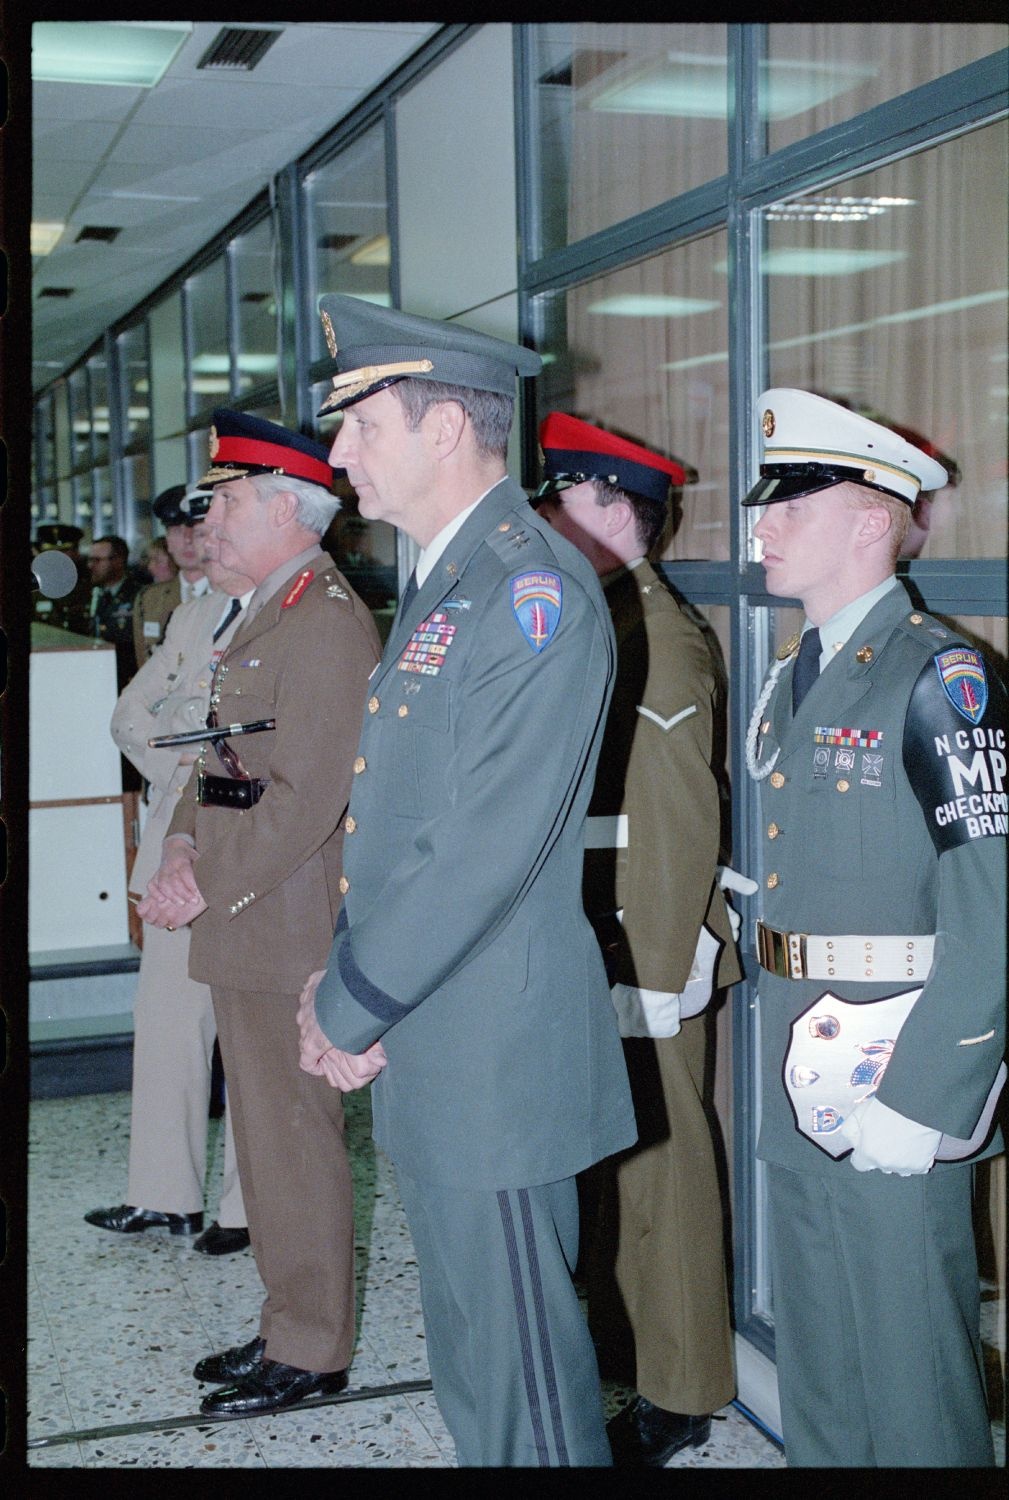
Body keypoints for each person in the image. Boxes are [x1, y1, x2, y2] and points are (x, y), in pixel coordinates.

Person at [296, 295, 637, 1467]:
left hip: (489, 1052)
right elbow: (399, 827)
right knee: (478, 1376)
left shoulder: (527, 591)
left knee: (526, 1393)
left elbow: (482, 845)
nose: (337, 452)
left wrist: (348, 1001)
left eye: (362, 424)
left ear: (445, 431)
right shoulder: (448, 585)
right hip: (436, 1039)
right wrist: (350, 986)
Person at [742, 387, 1005, 1467]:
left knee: (908, 1366)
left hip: (896, 1067)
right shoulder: (791, 677)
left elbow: (992, 909)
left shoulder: (940, 678)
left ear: (868, 520)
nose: (759, 526)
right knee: (820, 1357)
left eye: (789, 506)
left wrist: (929, 1097)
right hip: (798, 1055)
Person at [138, 409, 380, 1417]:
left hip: (284, 920)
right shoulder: (261, 609)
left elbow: (308, 798)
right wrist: (184, 841)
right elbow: (220, 758)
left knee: (291, 1139)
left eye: (230, 499)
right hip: (246, 910)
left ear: (288, 510)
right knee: (263, 1146)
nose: (213, 515)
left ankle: (313, 1348)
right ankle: (287, 1321)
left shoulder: (323, 620)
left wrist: (206, 879)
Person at [533, 412, 744, 1467]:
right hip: (600, 936)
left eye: (563, 497)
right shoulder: (598, 618)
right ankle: (630, 1349)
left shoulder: (650, 634)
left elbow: (672, 815)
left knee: (665, 1167)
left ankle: (685, 1387)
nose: (547, 517)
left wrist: (660, 967)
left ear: (621, 512)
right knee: (618, 1166)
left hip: (644, 941)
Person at [84, 494, 251, 1257]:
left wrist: (192, 764)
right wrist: (183, 768)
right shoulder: (193, 615)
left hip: (249, 846)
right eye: (192, 529)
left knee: (251, 1035)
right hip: (174, 843)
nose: (199, 539)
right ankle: (164, 1195)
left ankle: (246, 1208)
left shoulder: (286, 610)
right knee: (166, 1020)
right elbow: (130, 712)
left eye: (212, 525)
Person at [132, 485, 211, 664]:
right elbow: (144, 667)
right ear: (167, 542)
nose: (187, 540)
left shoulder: (231, 593)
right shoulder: (150, 599)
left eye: (196, 531)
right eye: (177, 531)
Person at [88, 534, 143, 689]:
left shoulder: (139, 596)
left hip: (126, 679)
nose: (90, 565)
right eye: (90, 559)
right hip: (97, 676)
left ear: (118, 561)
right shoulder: (91, 594)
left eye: (97, 560)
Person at [33, 522, 92, 634]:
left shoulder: (91, 584)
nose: (57, 557)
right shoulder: (33, 590)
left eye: (64, 551)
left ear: (76, 552)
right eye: (51, 552)